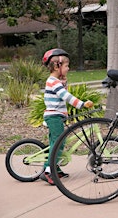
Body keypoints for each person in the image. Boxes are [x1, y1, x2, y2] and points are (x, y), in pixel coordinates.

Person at [40, 49, 94, 185]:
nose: (68, 68)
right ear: (57, 67)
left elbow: (63, 92)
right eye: (66, 66)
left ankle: (55, 167)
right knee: (59, 142)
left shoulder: (56, 81)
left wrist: (63, 80)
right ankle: (49, 170)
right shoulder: (54, 82)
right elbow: (67, 97)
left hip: (57, 116)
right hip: (54, 117)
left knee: (55, 142)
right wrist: (82, 104)